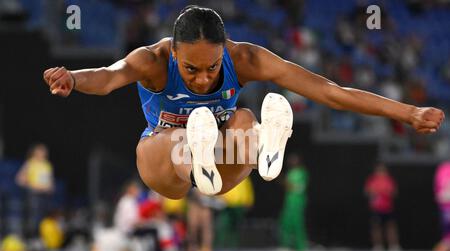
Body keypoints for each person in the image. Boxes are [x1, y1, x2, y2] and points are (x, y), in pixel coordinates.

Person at [43, 6, 444, 200]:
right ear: (174, 55)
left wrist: (408, 113)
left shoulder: (246, 58)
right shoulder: (151, 59)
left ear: (225, 52)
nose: (202, 79)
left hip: (224, 166)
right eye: (190, 70)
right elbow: (110, 77)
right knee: (167, 140)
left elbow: (328, 91)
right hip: (165, 168)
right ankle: (195, 154)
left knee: (246, 116)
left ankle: (265, 148)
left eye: (212, 68)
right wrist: (74, 79)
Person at [15, 143, 54, 251]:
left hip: (45, 196)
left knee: (42, 219)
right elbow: (20, 179)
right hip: (34, 195)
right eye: (40, 151)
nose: (42, 153)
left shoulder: (46, 165)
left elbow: (50, 181)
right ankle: (30, 241)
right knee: (33, 219)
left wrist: (49, 187)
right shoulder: (30, 164)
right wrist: (32, 186)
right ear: (35, 152)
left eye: (44, 151)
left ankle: (40, 241)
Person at [364, 163, 400, 251]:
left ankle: (393, 246)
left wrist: (384, 191)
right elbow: (367, 192)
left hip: (387, 208)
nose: (381, 172)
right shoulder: (372, 180)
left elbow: (394, 192)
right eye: (379, 170)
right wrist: (374, 193)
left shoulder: (388, 180)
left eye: (383, 170)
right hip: (376, 208)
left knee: (391, 227)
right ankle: (378, 246)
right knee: (376, 228)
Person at [278, 154, 309, 251]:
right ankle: (287, 247)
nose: (292, 162)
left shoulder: (303, 172)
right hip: (289, 203)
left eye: (294, 160)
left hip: (298, 203)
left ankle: (301, 248)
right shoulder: (290, 172)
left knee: (297, 225)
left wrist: (286, 183)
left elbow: (299, 187)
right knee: (285, 224)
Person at [433, 160, 450, 251]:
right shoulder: (443, 170)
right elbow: (438, 187)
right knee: (446, 226)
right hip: (445, 205)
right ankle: (445, 245)